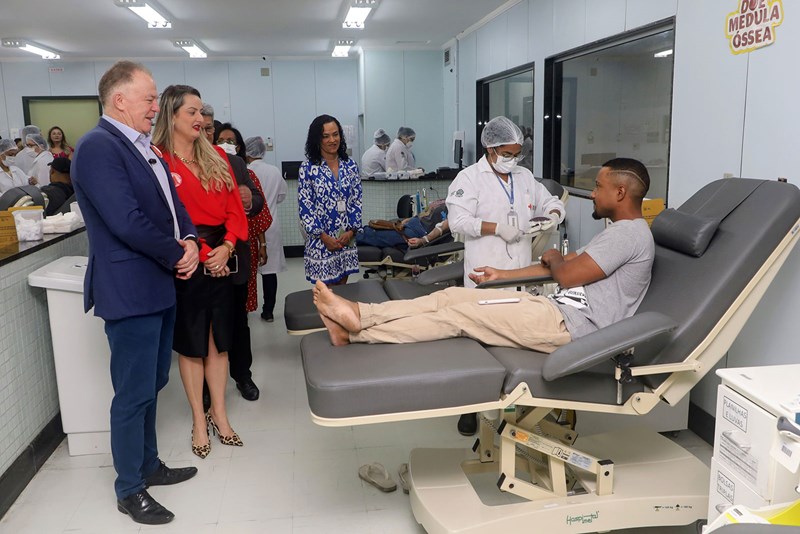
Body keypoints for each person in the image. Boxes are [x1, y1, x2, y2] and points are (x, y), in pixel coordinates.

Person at [313, 157, 654, 355]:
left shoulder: (628, 235)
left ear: (620, 192)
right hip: (552, 310)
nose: (592, 194)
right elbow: (562, 267)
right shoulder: (619, 233)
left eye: (598, 187)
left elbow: (565, 274)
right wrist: (502, 276)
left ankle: (355, 333)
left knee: (458, 317)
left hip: (568, 326)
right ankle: (361, 313)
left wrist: (555, 257)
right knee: (449, 297)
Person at [72, 60, 199, 526]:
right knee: (131, 393)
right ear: (119, 99)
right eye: (149, 98)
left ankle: (148, 465)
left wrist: (190, 240)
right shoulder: (98, 147)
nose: (154, 107)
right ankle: (129, 488)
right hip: (129, 289)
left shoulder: (145, 147)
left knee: (152, 383)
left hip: (157, 285)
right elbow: (126, 221)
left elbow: (174, 206)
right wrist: (176, 253)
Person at [151, 85, 249, 460]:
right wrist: (206, 254)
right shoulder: (158, 160)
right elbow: (166, 219)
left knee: (219, 341)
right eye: (191, 112)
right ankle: (198, 418)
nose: (200, 119)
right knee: (192, 343)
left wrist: (227, 248)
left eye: (201, 112)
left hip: (221, 256)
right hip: (187, 259)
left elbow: (235, 210)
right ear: (171, 115)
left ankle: (219, 414)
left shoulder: (217, 156)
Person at [447, 116, 565, 290]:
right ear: (490, 148)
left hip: (520, 271)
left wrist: (553, 216)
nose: (513, 160)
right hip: (485, 270)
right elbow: (458, 221)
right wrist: (497, 228)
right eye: (507, 155)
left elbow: (550, 202)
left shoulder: (524, 176)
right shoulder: (469, 178)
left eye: (517, 155)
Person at [211, 121, 270, 401]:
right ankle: (207, 387)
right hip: (204, 257)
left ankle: (242, 375)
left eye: (231, 141)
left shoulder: (237, 165)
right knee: (208, 324)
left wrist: (249, 199)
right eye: (220, 138)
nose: (225, 144)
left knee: (238, 322)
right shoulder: (188, 164)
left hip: (236, 256)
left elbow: (258, 201)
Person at [298, 114, 363, 285]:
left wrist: (351, 231)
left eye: (335, 134)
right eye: (326, 136)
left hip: (345, 239)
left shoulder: (350, 165)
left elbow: (356, 201)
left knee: (343, 290)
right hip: (321, 240)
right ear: (317, 139)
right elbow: (305, 207)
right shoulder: (308, 168)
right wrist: (324, 237)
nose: (332, 140)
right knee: (327, 293)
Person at [244, 135, 288, 322]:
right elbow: (281, 196)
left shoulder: (244, 171)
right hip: (270, 225)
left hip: (248, 226)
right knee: (270, 272)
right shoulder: (274, 171)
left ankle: (245, 309)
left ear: (246, 152)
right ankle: (268, 311)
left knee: (247, 271)